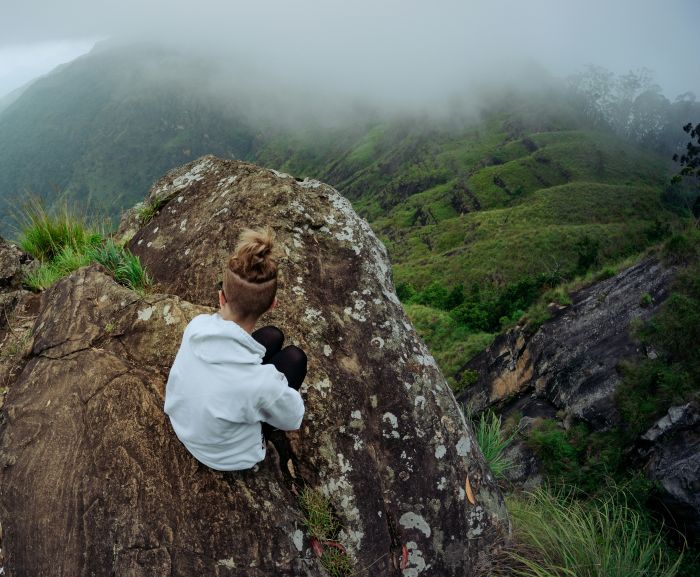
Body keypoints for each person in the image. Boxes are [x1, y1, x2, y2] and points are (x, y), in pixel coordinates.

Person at [164, 227, 307, 471]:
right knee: (294, 358)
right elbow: (292, 418)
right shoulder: (261, 384)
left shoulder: (197, 326)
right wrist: (272, 383)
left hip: (183, 422)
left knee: (274, 335)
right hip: (224, 455)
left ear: (221, 297)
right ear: (272, 305)